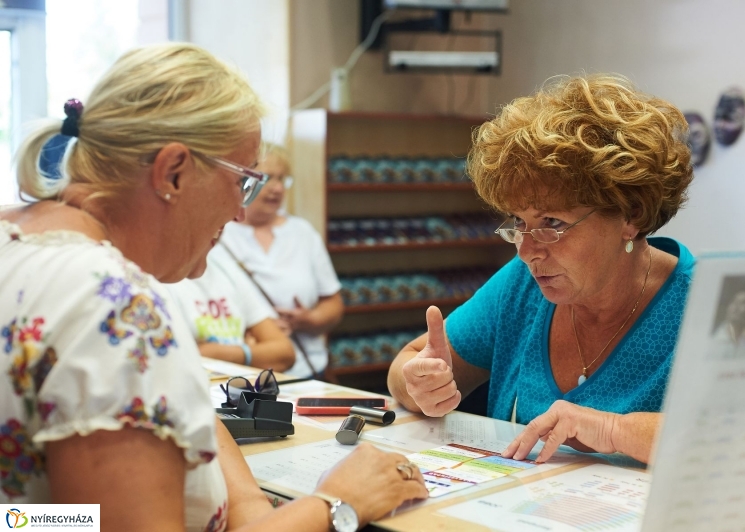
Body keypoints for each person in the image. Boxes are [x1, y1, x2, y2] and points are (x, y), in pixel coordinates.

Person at [0, 43, 426, 531]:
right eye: (242, 181)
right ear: (173, 172)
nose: (240, 212)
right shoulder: (116, 310)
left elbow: (44, 518)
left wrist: (249, 507)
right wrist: (336, 503)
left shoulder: (16, 240)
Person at [388, 74, 695, 466]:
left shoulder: (705, 307)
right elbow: (408, 362)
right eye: (519, 222)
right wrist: (419, 384)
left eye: (552, 222)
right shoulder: (522, 287)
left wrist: (614, 430)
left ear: (630, 215)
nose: (526, 252)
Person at [221, 143, 344, 378]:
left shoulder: (302, 232)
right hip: (243, 374)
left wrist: (309, 320)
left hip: (306, 369)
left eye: (282, 179)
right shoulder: (220, 234)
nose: (276, 188)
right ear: (243, 181)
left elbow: (333, 302)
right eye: (267, 178)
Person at [167, 242, 296, 371]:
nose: (217, 233)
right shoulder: (163, 277)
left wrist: (226, 353)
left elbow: (285, 353)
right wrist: (250, 350)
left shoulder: (226, 268)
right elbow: (175, 361)